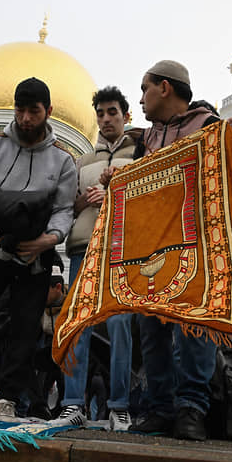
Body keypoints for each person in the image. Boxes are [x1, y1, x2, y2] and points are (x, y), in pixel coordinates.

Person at [101, 60, 232, 440]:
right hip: (152, 252)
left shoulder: (209, 127)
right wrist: (117, 179)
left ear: (165, 88)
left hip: (196, 246)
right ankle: (161, 408)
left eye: (144, 88)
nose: (140, 99)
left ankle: (192, 409)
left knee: (192, 329)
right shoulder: (147, 140)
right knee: (150, 330)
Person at [0, 77, 77, 421]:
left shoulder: (62, 161)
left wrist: (48, 240)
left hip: (36, 252)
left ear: (48, 111)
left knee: (25, 324)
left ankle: (8, 395)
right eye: (20, 110)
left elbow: (64, 209)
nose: (25, 119)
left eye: (33, 111)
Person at [50, 86, 136, 431]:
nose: (105, 119)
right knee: (78, 324)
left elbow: (151, 200)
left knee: (119, 324)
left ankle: (119, 405)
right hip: (83, 246)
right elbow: (66, 206)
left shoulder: (141, 154)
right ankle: (73, 404)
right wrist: (86, 200)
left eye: (112, 112)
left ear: (125, 116)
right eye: (100, 113)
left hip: (122, 247)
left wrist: (116, 193)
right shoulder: (83, 162)